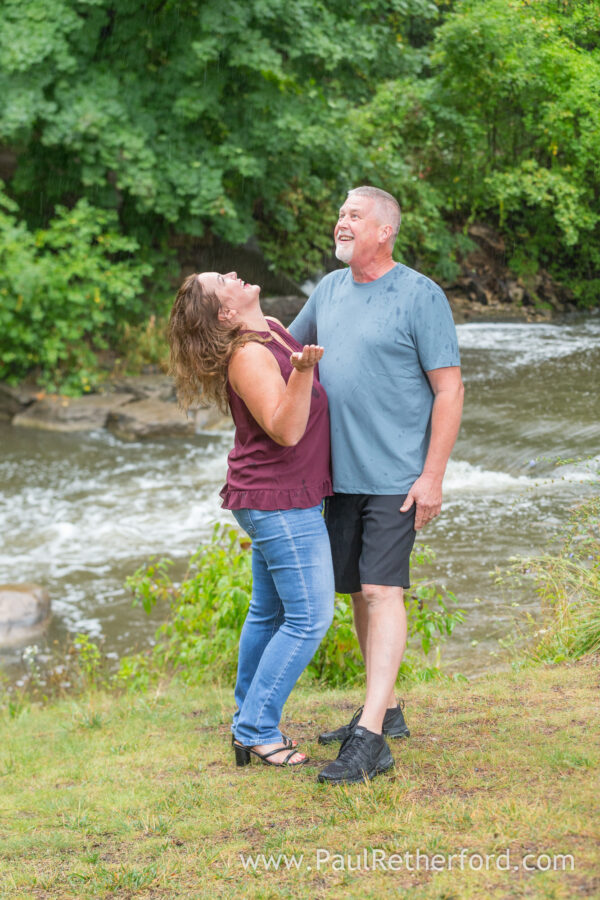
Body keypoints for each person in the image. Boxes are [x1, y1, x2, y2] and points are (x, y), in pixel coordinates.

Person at [289, 186, 464, 784]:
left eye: (353, 215)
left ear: (384, 230)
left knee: (383, 591)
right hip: (337, 475)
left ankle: (370, 741)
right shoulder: (328, 290)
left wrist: (433, 475)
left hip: (395, 475)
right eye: (339, 213)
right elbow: (286, 351)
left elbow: (449, 388)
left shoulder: (420, 295)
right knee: (360, 595)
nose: (341, 222)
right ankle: (384, 711)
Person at [168, 271, 334, 768]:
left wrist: (299, 359)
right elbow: (285, 429)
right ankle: (256, 728)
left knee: (271, 612)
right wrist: (303, 372)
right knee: (309, 618)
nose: (234, 274)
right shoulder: (248, 355)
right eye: (224, 279)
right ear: (224, 311)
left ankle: (249, 715)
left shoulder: (271, 332)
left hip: (276, 496)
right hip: (278, 502)